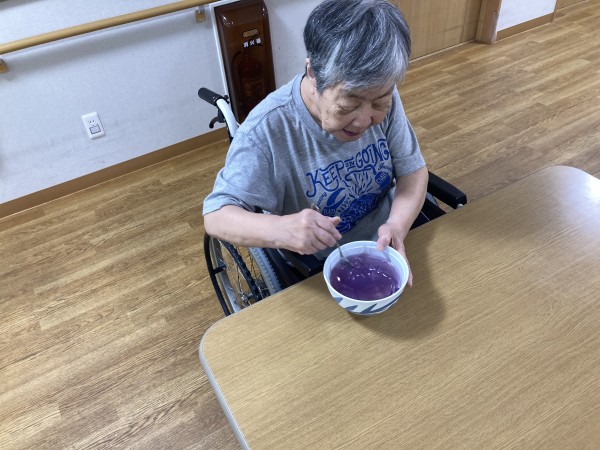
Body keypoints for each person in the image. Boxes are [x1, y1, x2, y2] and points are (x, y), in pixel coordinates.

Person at [203, 0, 428, 286]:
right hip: (316, 264)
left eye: (379, 103)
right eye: (349, 105)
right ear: (313, 73)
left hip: (387, 244)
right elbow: (216, 215)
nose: (364, 120)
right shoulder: (267, 130)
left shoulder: (382, 92)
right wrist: (282, 230)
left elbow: (413, 170)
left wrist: (396, 226)